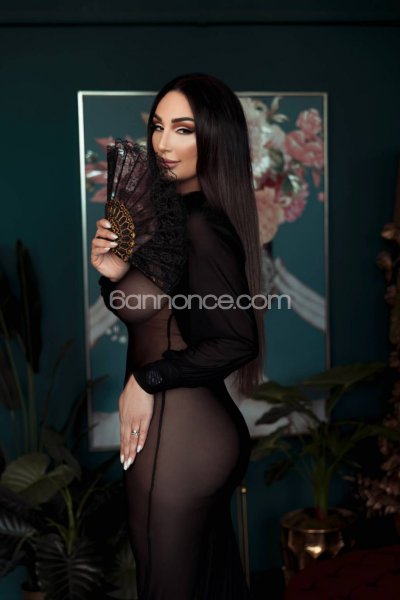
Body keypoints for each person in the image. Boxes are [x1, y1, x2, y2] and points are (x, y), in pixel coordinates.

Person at [91, 73, 265, 600]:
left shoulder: (202, 226)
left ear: (214, 139)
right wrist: (114, 272)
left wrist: (148, 380)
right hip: (183, 432)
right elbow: (159, 312)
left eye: (183, 129)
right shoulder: (173, 217)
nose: (163, 143)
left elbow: (237, 340)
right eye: (157, 126)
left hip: (184, 434)